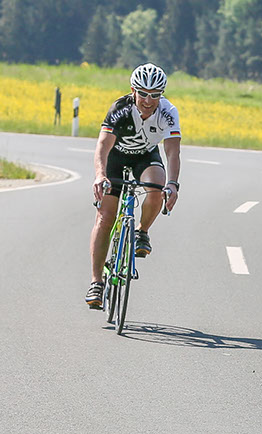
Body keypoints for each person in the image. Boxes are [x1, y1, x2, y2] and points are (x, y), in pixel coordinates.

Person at [85, 62, 181, 309]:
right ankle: (96, 282)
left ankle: (141, 231)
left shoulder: (168, 112)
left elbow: (172, 152)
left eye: (155, 95)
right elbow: (103, 146)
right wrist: (100, 175)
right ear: (133, 91)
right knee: (105, 217)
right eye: (143, 94)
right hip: (115, 158)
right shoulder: (120, 109)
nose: (148, 101)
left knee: (157, 187)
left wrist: (173, 184)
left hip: (145, 157)